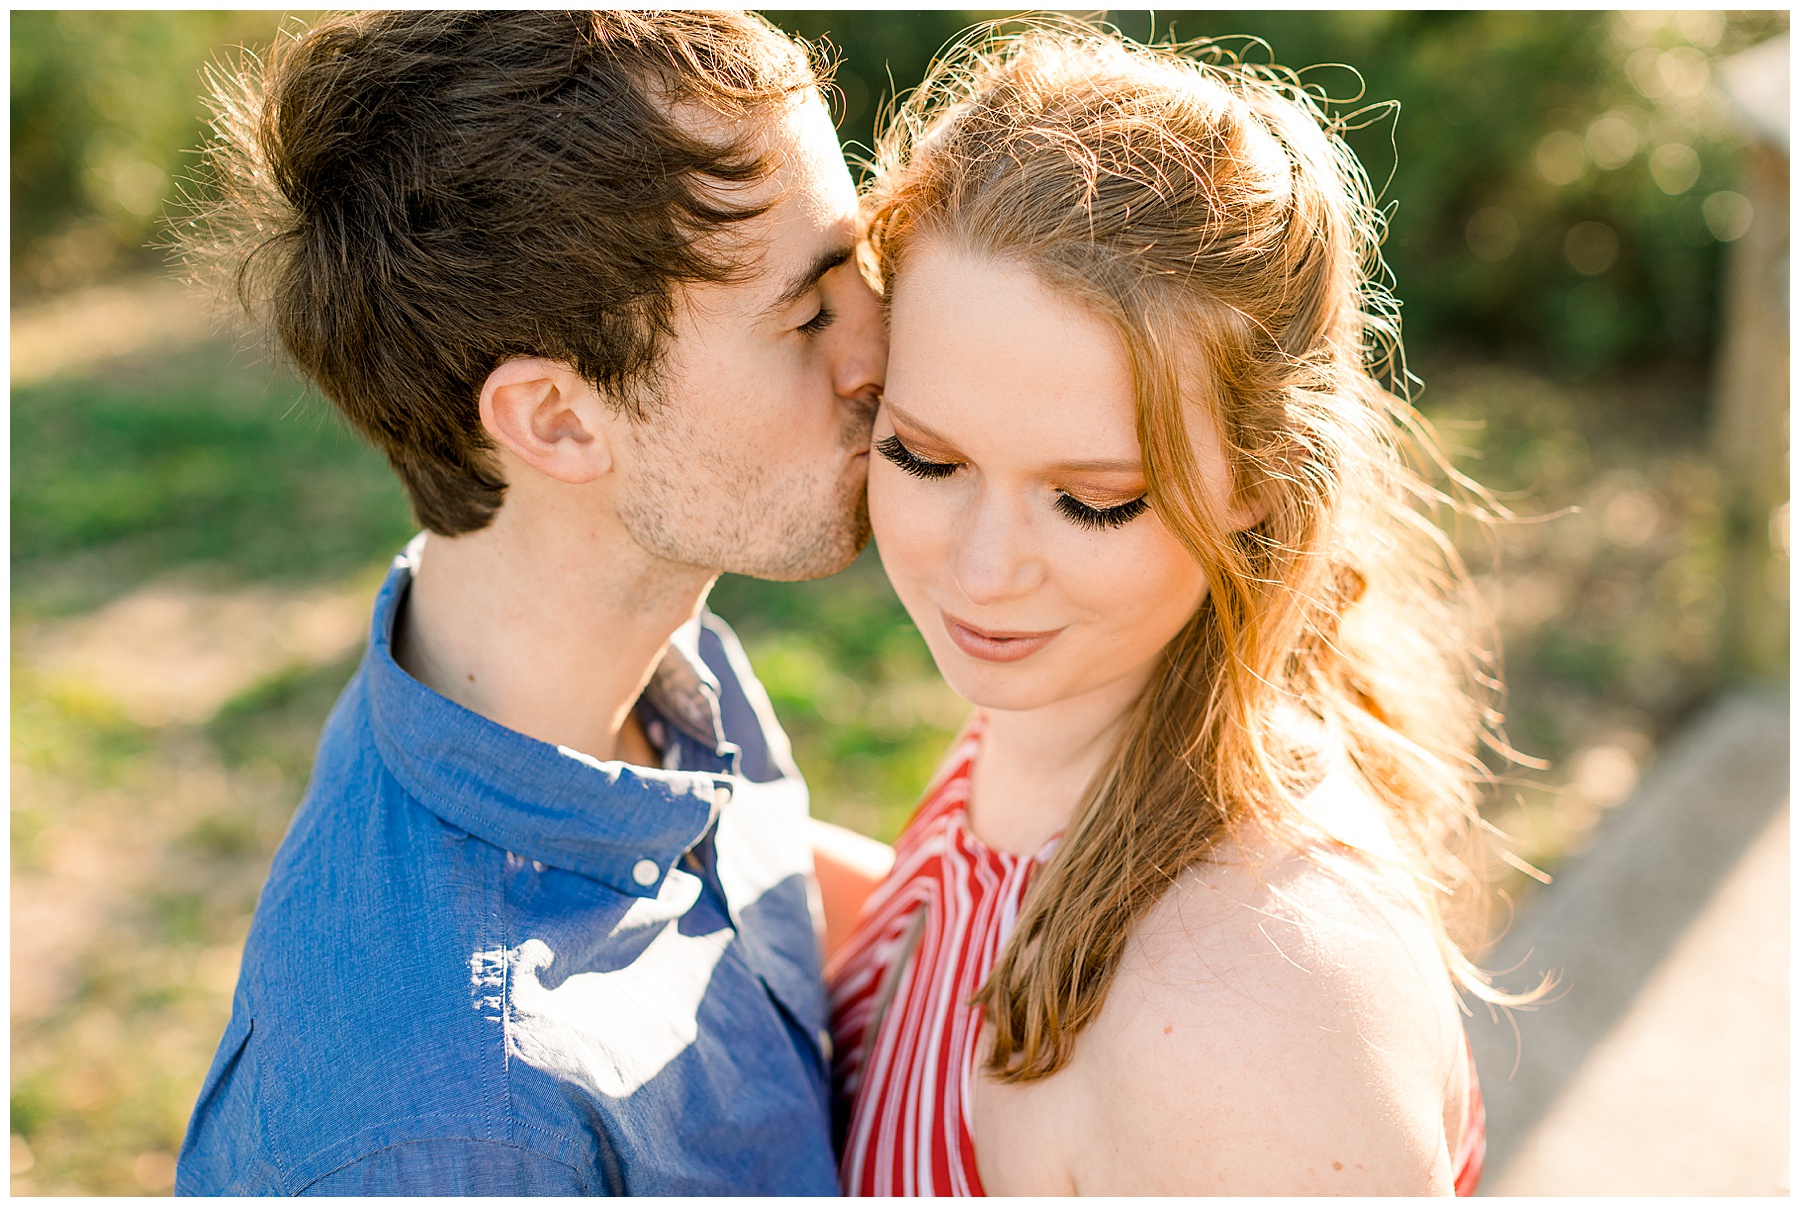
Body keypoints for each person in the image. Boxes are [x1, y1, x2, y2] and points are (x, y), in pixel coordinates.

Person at [174, 11, 893, 1195]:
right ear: (557, 418)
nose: (878, 343)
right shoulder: (463, 1133)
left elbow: (754, 885)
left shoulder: (635, 672)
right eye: (811, 313)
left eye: (856, 267)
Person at [828, 22, 1539, 1195]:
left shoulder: (1248, 1015)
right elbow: (943, 934)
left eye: (1093, 500)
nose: (983, 568)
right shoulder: (1083, 702)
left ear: (1260, 482)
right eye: (924, 455)